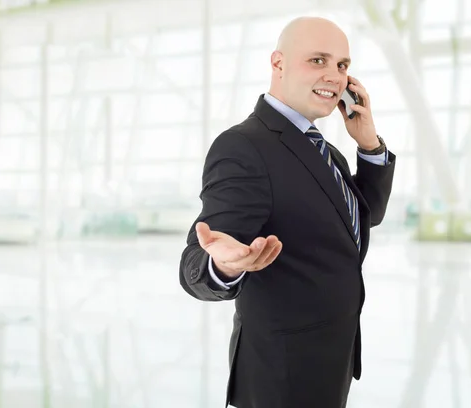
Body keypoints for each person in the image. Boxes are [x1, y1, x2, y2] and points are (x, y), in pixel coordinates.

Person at [179, 16, 396, 408]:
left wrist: (369, 146)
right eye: (318, 60)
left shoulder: (325, 152)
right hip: (281, 377)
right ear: (278, 64)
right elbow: (198, 259)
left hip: (329, 362)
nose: (335, 75)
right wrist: (225, 266)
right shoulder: (244, 146)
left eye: (343, 66)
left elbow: (362, 220)